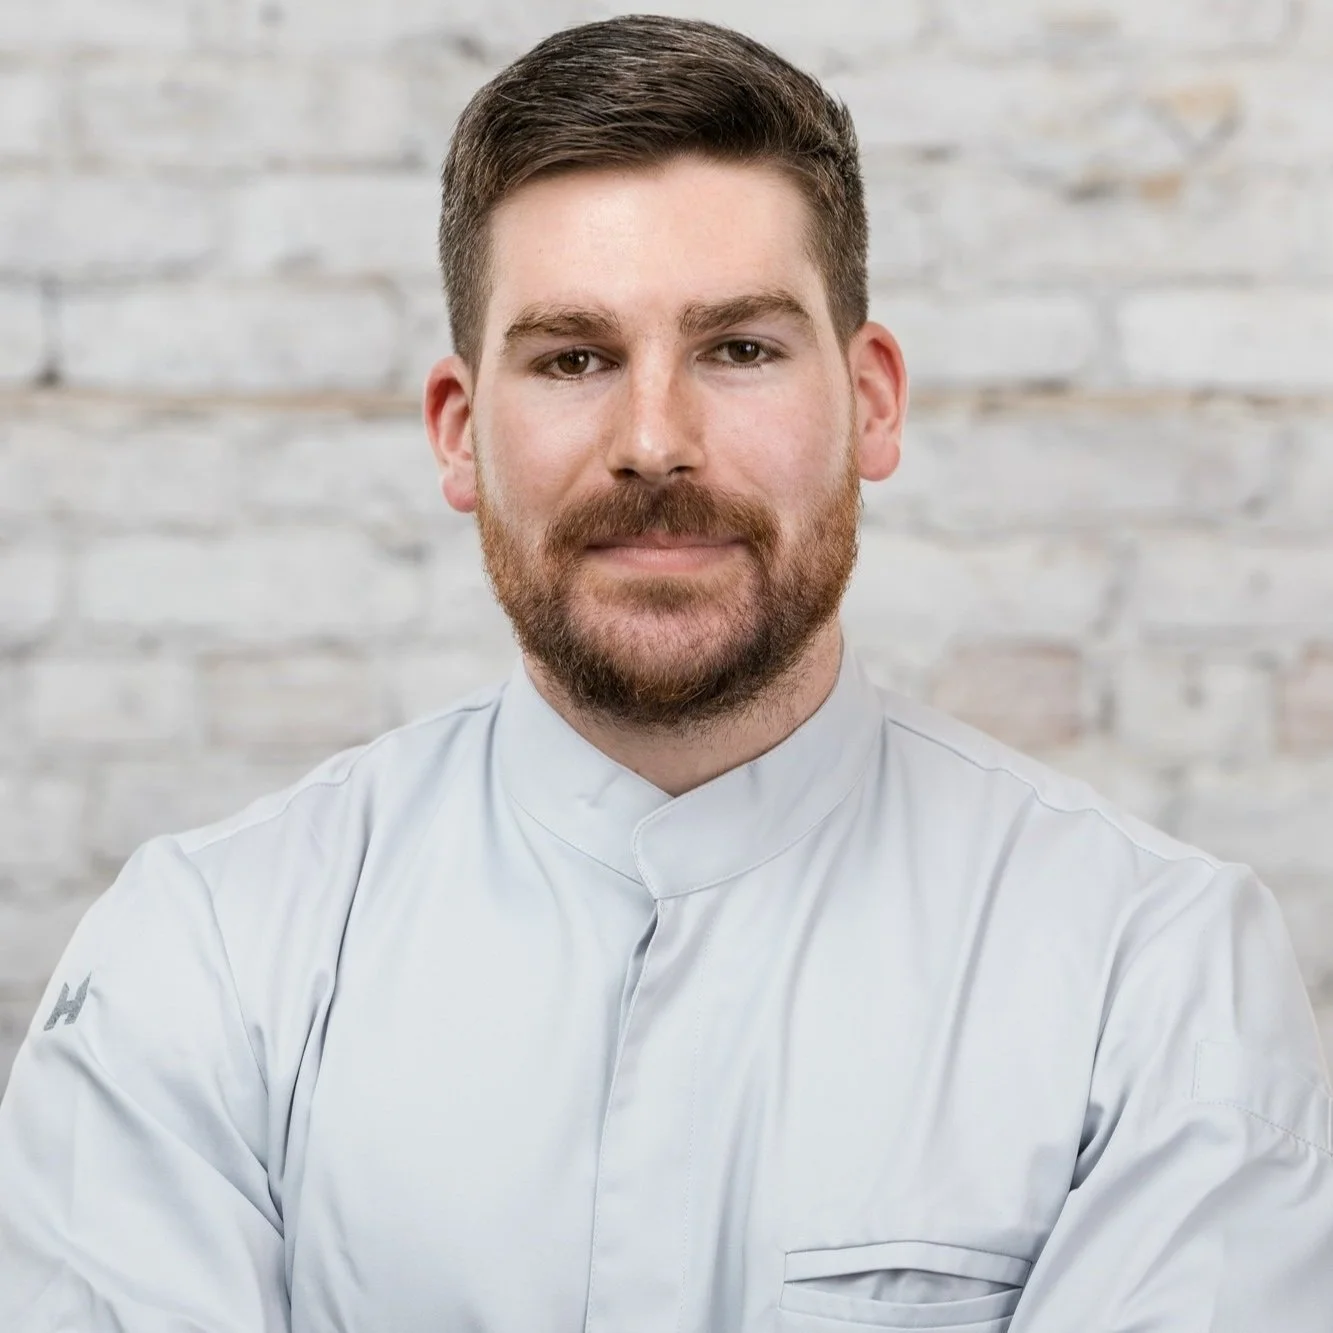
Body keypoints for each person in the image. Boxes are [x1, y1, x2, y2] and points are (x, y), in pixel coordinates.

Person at [2, 15, 1330, 1331]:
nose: (654, 440)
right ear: (459, 435)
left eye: (739, 349)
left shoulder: (1150, 974)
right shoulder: (207, 956)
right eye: (574, 358)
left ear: (873, 402)